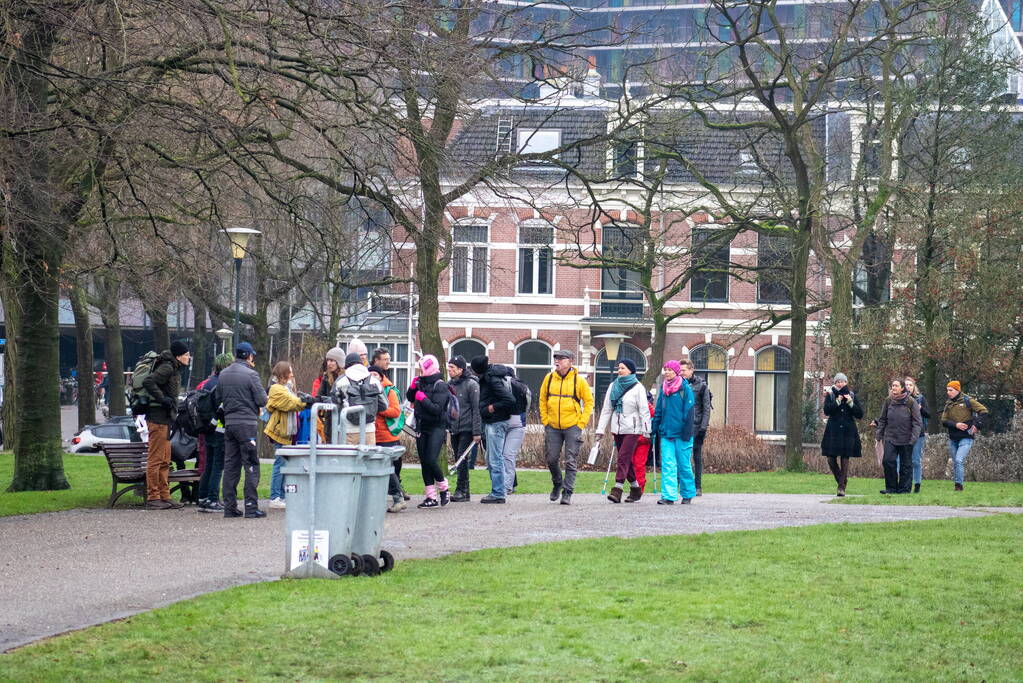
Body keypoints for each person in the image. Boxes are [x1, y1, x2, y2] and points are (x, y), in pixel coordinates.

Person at [216, 342, 268, 518]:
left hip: (230, 424)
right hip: (247, 425)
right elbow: (262, 400)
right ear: (249, 356)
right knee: (251, 464)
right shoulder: (251, 375)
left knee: (231, 465)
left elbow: (218, 397)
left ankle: (229, 507)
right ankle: (251, 507)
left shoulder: (223, 374)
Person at [539, 349, 594, 506]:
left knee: (570, 460)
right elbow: (542, 399)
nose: (557, 361)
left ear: (570, 361)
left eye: (561, 358)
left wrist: (581, 423)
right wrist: (545, 420)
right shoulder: (549, 378)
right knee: (551, 459)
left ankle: (567, 492)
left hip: (572, 426)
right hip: (552, 426)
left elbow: (589, 402)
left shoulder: (579, 381)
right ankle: (557, 483)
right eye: (556, 358)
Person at [141, 340, 191, 510]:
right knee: (155, 459)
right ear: (178, 356)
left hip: (166, 420)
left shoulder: (174, 368)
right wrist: (163, 399)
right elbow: (148, 381)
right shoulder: (167, 367)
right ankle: (153, 497)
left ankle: (165, 495)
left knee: (165, 460)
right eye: (186, 354)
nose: (188, 357)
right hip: (157, 419)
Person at [595, 358, 652, 503]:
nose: (619, 370)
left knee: (622, 458)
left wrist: (646, 430)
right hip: (617, 428)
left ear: (630, 371)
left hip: (633, 429)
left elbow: (644, 410)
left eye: (622, 368)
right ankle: (636, 489)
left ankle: (617, 488)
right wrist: (600, 429)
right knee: (626, 460)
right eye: (618, 368)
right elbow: (607, 409)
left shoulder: (638, 387)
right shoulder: (612, 386)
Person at [264, 361, 312, 510]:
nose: (292, 375)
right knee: (280, 464)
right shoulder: (276, 389)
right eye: (289, 372)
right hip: (280, 431)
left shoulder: (287, 388)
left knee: (285, 464)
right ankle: (275, 497)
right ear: (283, 373)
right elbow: (292, 403)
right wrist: (306, 402)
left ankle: (282, 496)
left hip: (288, 432)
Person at [406, 355, 451, 508]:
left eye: (422, 368)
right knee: (424, 462)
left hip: (436, 427)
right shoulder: (421, 382)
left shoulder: (441, 385)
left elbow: (437, 409)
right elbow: (410, 398)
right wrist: (413, 388)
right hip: (421, 426)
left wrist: (423, 399)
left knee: (431, 459)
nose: (420, 371)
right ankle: (431, 497)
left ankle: (444, 488)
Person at [471, 355, 517, 504]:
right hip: (492, 422)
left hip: (496, 422)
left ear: (477, 370)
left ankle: (498, 492)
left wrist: (491, 408)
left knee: (495, 458)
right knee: (491, 458)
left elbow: (509, 399)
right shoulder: (489, 377)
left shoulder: (492, 380)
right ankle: (497, 490)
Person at [651, 360, 696, 504]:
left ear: (676, 372)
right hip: (666, 433)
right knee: (668, 465)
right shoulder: (663, 389)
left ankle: (687, 494)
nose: (667, 372)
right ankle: (669, 496)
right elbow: (658, 411)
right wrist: (653, 428)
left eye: (670, 370)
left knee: (684, 466)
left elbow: (689, 412)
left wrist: (687, 433)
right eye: (665, 369)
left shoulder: (685, 389)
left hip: (682, 435)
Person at [196, 353, 233, 513]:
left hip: (207, 428)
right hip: (219, 428)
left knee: (209, 465)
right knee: (218, 466)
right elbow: (223, 408)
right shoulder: (222, 385)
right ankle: (212, 500)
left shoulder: (207, 383)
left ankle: (202, 498)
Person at [368, 364, 406, 513]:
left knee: (387, 468)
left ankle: (398, 498)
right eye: (370, 374)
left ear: (381, 376)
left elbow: (395, 411)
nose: (373, 376)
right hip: (373, 434)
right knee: (379, 469)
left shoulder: (389, 390)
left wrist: (378, 409)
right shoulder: (367, 389)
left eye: (375, 374)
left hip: (387, 436)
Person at [875, 378, 922, 495]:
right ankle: (891, 488)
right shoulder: (888, 401)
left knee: (906, 465)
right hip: (890, 438)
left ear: (902, 388)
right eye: (892, 386)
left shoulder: (911, 402)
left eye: (896, 386)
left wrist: (913, 438)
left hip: (907, 439)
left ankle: (904, 489)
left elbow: (917, 422)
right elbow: (882, 419)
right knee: (888, 461)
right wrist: (878, 435)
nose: (893, 388)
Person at [820, 372, 864, 497]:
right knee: (830, 458)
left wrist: (850, 403)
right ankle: (842, 479)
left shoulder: (852, 395)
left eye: (842, 381)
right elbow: (826, 411)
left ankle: (841, 487)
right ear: (835, 383)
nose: (840, 384)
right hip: (833, 431)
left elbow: (860, 414)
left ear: (846, 382)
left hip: (848, 431)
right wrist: (837, 402)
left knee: (845, 457)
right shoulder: (831, 395)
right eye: (838, 382)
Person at [940, 380, 988, 492]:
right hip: (953, 437)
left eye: (951, 390)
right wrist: (956, 424)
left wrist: (977, 425)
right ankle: (957, 484)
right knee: (956, 462)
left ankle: (959, 485)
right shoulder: (948, 404)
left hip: (966, 436)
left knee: (959, 460)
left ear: (957, 390)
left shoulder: (968, 400)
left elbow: (984, 411)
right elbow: (944, 421)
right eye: (947, 390)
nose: (948, 392)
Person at [447, 356, 481, 502]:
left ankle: (462, 489)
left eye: (452, 367)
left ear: (460, 369)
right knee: (458, 457)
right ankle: (465, 491)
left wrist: (477, 431)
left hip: (467, 427)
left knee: (461, 457)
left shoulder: (471, 385)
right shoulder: (449, 385)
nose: (449, 370)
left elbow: (476, 409)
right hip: (454, 427)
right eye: (449, 367)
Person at [333, 352, 386, 444]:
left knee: (347, 454)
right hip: (368, 430)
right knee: (369, 454)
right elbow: (384, 405)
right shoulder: (374, 381)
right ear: (361, 364)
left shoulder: (340, 381)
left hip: (347, 430)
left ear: (347, 366)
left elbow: (335, 404)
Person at [679, 359, 712, 496]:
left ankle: (698, 486)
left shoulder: (702, 386)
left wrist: (703, 428)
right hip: (681, 427)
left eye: (684, 370)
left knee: (696, 457)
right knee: (681, 456)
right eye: (680, 370)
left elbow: (706, 409)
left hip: (697, 427)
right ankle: (680, 485)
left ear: (691, 370)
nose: (681, 373)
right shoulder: (677, 385)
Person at [501, 368, 527, 497]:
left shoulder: (503, 384)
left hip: (506, 422)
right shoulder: (522, 386)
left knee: (505, 455)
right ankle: (507, 485)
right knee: (508, 455)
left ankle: (506, 486)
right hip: (518, 422)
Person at [312, 347, 344, 443]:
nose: (329, 363)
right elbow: (319, 397)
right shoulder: (326, 378)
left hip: (343, 419)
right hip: (329, 420)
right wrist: (308, 400)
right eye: (328, 360)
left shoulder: (346, 378)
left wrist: (334, 401)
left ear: (339, 362)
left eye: (332, 360)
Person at [905, 376, 930, 493]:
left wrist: (921, 409)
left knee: (915, 460)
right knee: (903, 460)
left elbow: (928, 414)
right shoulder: (899, 399)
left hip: (918, 433)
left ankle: (917, 484)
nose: (908, 387)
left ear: (914, 386)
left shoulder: (920, 398)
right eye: (906, 385)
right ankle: (904, 483)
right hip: (903, 433)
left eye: (910, 385)